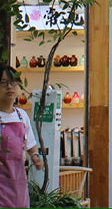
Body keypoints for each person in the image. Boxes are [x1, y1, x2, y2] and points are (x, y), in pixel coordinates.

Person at [0, 63, 43, 208]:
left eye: (13, 82)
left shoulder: (21, 115)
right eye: (4, 83)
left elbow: (31, 144)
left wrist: (35, 156)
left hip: (18, 181)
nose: (9, 87)